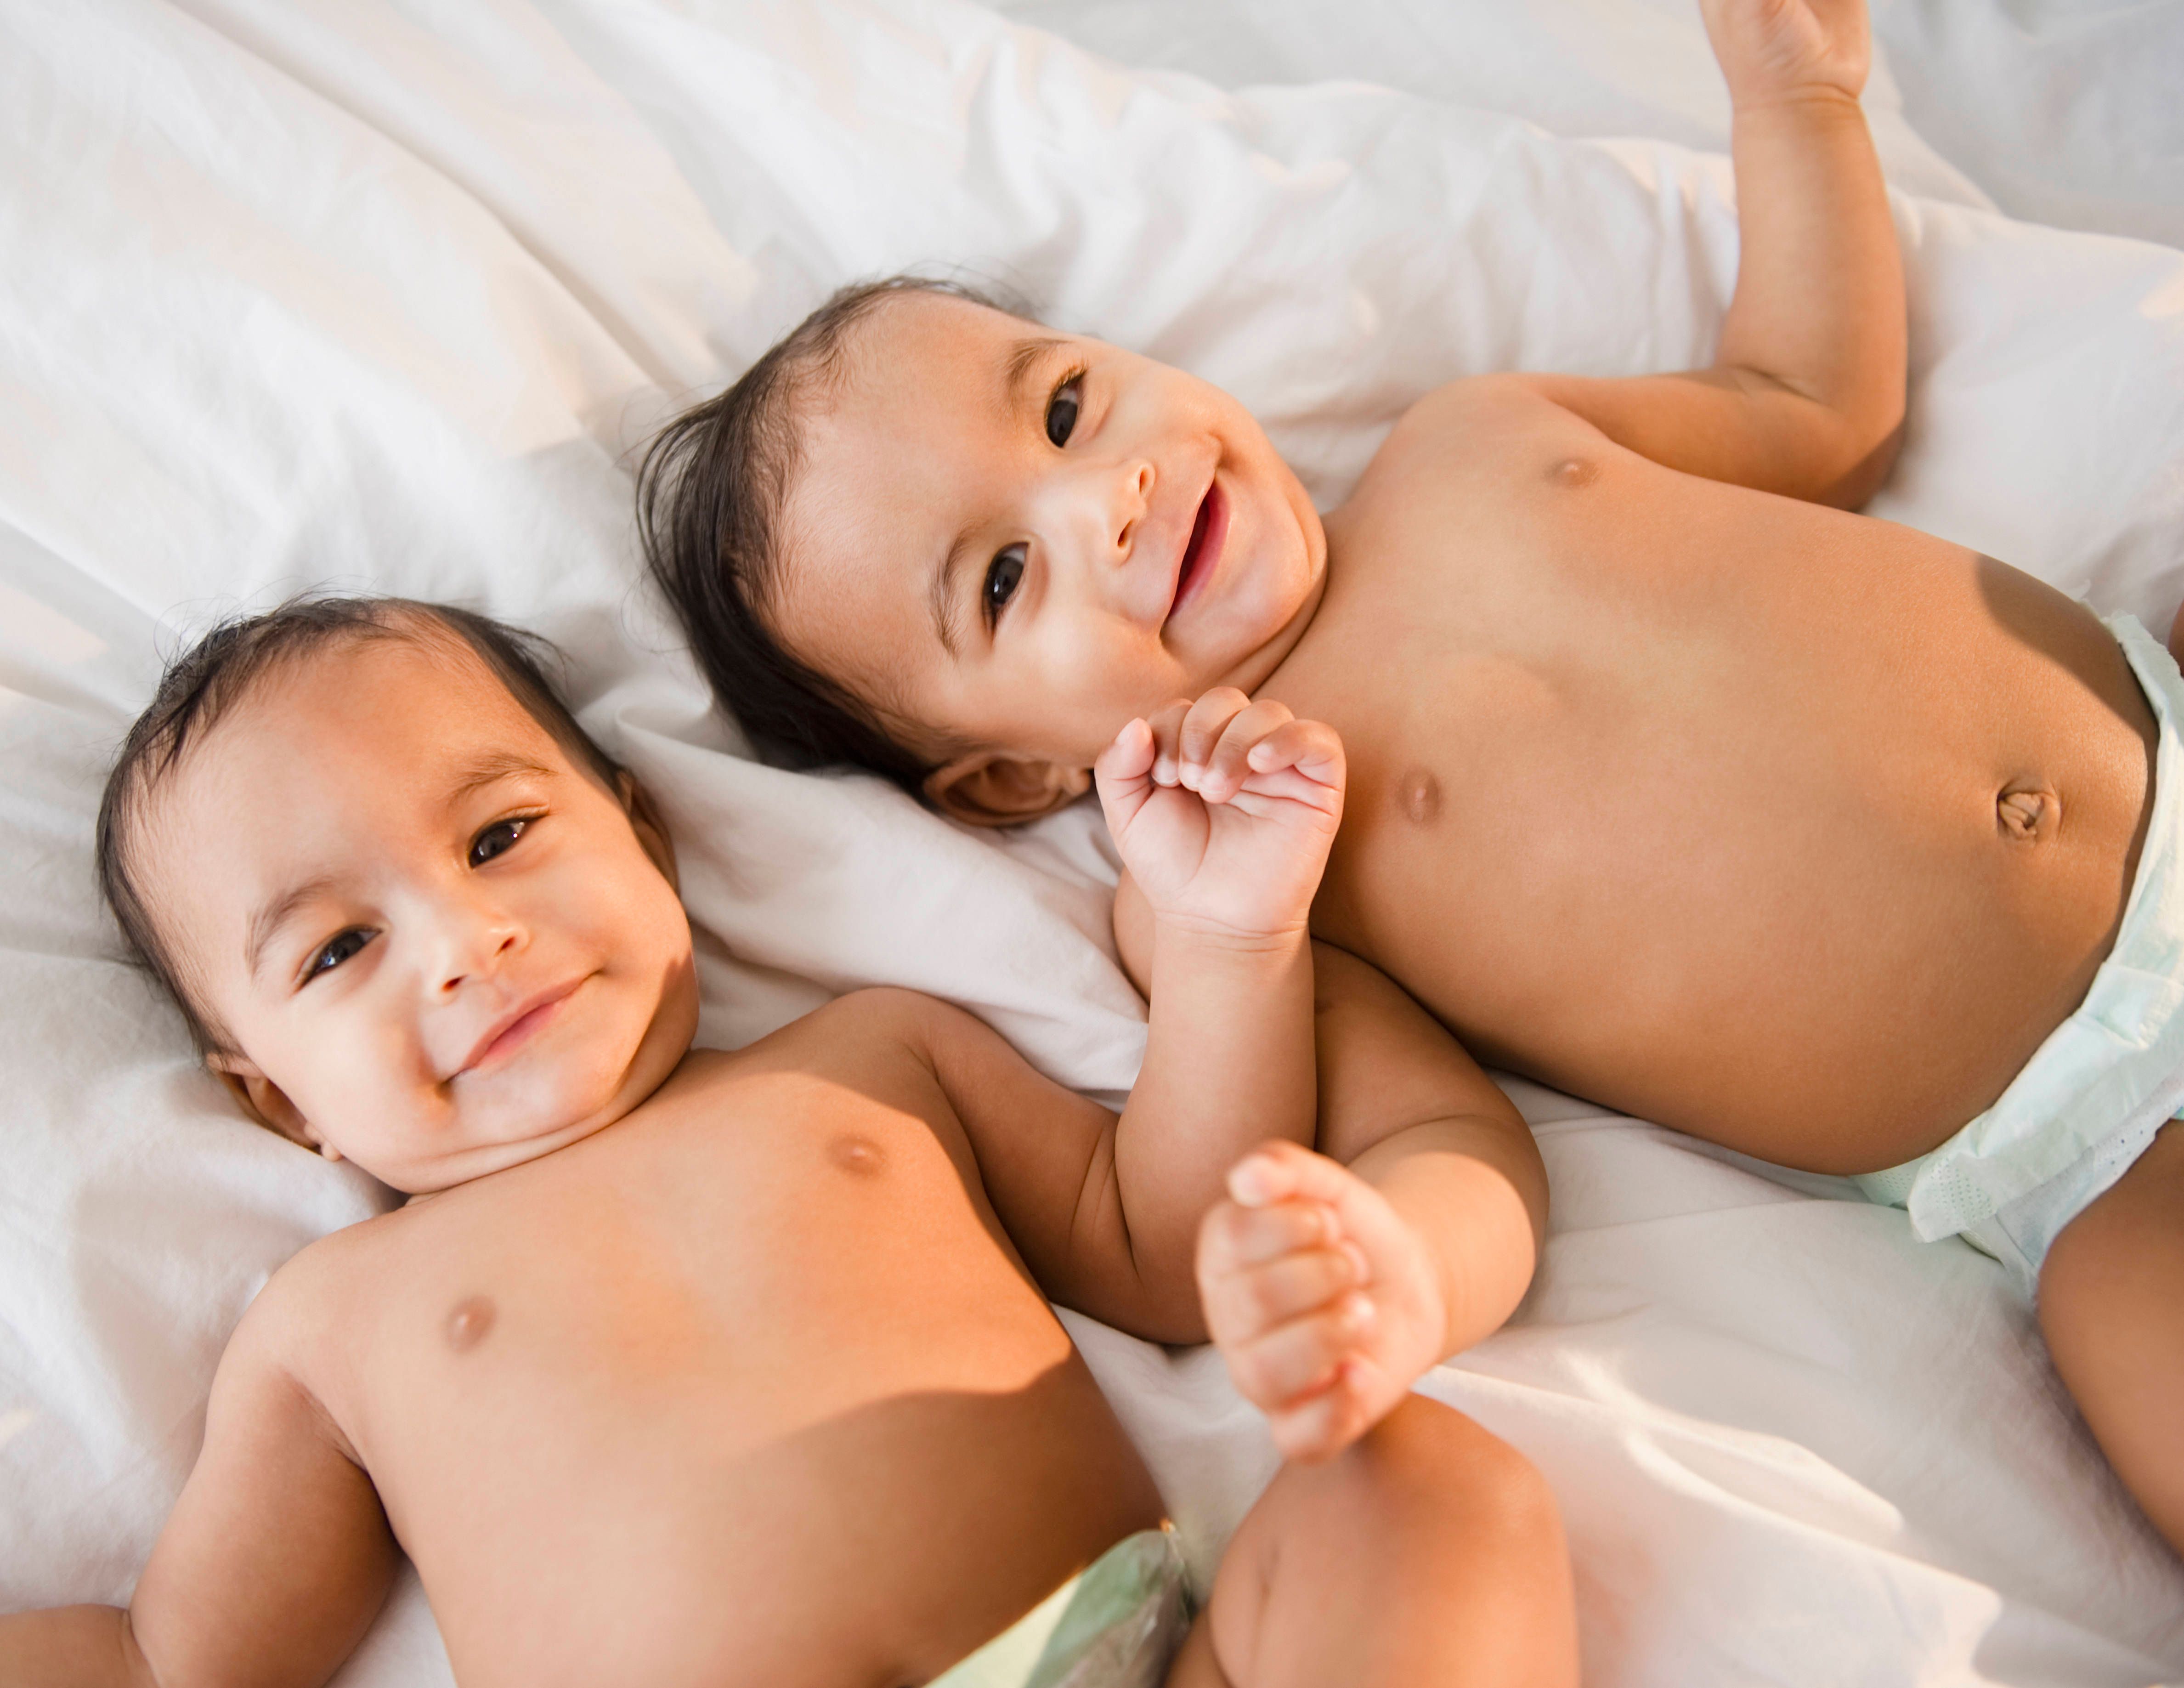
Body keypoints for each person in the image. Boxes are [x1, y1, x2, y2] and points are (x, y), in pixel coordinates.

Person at [636, 0, 2184, 1556]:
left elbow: (1811, 403)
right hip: (2093, 1138)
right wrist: (1393, 1273)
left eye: (1062, 409)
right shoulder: (1234, 876)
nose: (1104, 496)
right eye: (1000, 578)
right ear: (1006, 781)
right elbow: (1449, 1146)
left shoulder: (1477, 438)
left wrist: (1800, 106)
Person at [0, 596, 1577, 1687]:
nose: (467, 943)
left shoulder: (872, 1063)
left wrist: (1229, 940)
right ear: (279, 1100)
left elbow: (1161, 1249)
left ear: (644, 836)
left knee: (1424, 1485)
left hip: (1105, 1656)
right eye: (340, 949)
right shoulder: (329, 1323)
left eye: (500, 836)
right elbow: (164, 1658)